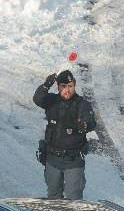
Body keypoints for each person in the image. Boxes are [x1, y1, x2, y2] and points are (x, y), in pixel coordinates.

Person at [33, 70, 96, 199]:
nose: (67, 90)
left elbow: (90, 122)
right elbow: (38, 99)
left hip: (73, 160)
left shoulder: (82, 104)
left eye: (70, 86)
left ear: (74, 86)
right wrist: (46, 85)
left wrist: (84, 125)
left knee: (73, 198)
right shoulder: (52, 101)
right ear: (58, 87)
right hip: (52, 159)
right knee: (53, 196)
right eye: (63, 86)